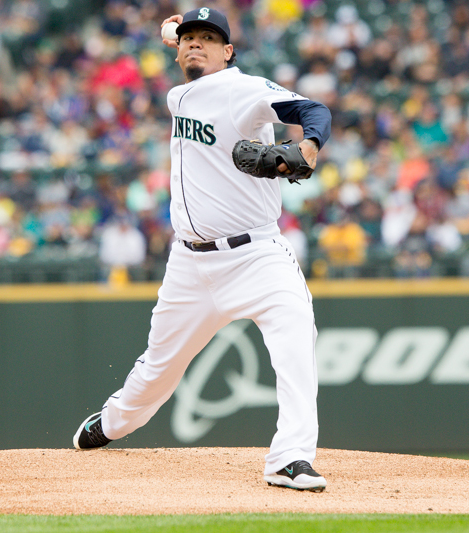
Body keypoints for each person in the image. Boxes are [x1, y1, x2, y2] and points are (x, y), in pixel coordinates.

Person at [72, 8, 331, 493]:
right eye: (191, 38)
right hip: (190, 264)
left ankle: (290, 457)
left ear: (229, 52)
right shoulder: (179, 93)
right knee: (157, 369)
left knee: (296, 339)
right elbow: (186, 48)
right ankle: (112, 423)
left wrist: (308, 148)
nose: (196, 44)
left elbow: (315, 112)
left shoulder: (245, 89)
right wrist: (177, 33)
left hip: (257, 256)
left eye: (209, 39)